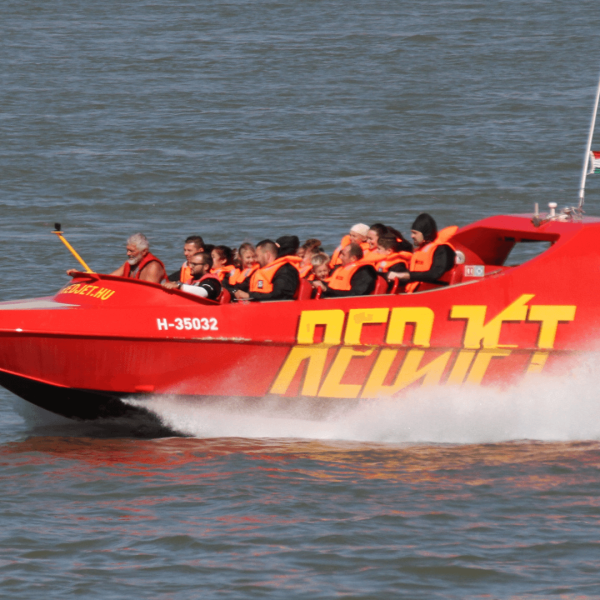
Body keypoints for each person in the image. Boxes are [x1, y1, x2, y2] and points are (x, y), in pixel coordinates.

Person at [388, 213, 456, 293]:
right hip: (415, 294)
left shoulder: (443, 249)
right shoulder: (419, 251)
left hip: (435, 294)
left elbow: (435, 274)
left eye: (415, 233)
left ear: (425, 234)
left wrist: (404, 275)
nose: (411, 236)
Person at [234, 239, 299, 301]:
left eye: (257, 256)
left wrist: (250, 296)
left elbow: (281, 296)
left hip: (275, 309)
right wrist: (233, 291)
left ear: (267, 255)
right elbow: (241, 286)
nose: (255, 260)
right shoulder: (260, 271)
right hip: (256, 307)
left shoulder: (285, 270)